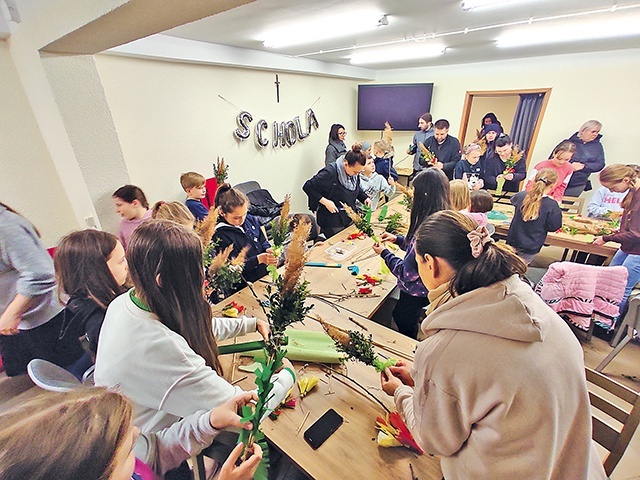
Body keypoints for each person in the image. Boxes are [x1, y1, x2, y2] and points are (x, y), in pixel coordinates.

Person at [380, 210, 606, 480]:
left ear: (431, 264)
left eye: (417, 262)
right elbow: (489, 386)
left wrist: (401, 393)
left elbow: (434, 442)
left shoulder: (445, 350)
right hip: (575, 468)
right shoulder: (539, 313)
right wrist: (425, 379)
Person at [94, 220, 295, 439]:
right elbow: (246, 412)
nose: (203, 276)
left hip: (139, 426)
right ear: (164, 281)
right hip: (150, 451)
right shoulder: (161, 348)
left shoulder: (127, 301)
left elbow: (187, 326)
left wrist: (250, 324)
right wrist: (286, 375)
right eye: (195, 271)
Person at [0, 387, 263, 480]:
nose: (137, 432)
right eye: (126, 450)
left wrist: (210, 421)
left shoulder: (119, 463)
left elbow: (157, 449)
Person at [0, 203, 86, 377]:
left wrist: (13, 313)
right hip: (20, 325)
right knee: (43, 383)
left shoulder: (5, 226)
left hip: (44, 321)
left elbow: (40, 273)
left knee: (74, 379)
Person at [372, 169, 451, 339]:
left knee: (402, 317)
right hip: (432, 288)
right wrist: (399, 240)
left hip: (417, 292)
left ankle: (409, 343)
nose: (412, 195)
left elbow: (406, 272)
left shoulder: (425, 230)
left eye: (414, 191)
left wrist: (384, 253)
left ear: (424, 194)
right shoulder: (439, 219)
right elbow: (417, 251)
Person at [55, 230, 129, 356]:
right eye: (121, 261)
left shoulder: (94, 301)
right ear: (97, 271)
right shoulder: (99, 323)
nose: (127, 265)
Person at [594, 164, 640, 319]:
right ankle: (599, 316)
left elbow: (635, 234)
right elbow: (628, 225)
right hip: (628, 246)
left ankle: (609, 322)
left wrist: (606, 238)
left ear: (626, 180)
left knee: (621, 287)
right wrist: (615, 233)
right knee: (609, 280)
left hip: (637, 250)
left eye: (612, 187)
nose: (611, 191)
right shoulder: (633, 192)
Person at [303, 143, 372, 238]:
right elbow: (308, 187)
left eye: (359, 172)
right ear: (346, 164)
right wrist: (325, 202)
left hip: (348, 216)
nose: (357, 174)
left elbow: (356, 188)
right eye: (355, 172)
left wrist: (365, 198)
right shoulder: (330, 172)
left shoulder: (354, 174)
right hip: (332, 220)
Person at [212, 184, 277, 284]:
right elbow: (232, 268)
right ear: (222, 212)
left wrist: (267, 248)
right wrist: (257, 260)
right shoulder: (220, 235)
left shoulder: (250, 219)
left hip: (264, 275)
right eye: (236, 217)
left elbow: (262, 239)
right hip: (246, 283)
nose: (241, 220)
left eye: (244, 214)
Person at [507, 169, 563, 265]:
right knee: (520, 268)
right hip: (532, 244)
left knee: (507, 265)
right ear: (553, 185)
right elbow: (554, 227)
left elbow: (513, 200)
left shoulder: (521, 196)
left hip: (513, 239)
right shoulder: (551, 205)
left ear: (534, 180)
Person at [563, 120, 605, 197]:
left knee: (565, 206)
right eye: (593, 131)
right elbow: (553, 159)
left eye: (597, 132)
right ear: (583, 130)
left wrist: (583, 166)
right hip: (560, 179)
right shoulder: (568, 142)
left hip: (578, 183)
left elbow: (600, 164)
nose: (595, 134)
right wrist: (570, 165)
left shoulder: (597, 147)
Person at [113, 185, 152, 250]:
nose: (117, 210)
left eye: (119, 205)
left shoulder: (156, 218)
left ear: (135, 203)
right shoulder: (124, 224)